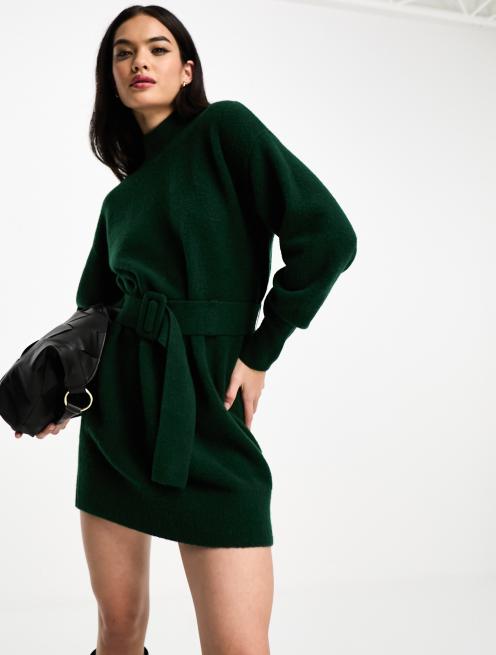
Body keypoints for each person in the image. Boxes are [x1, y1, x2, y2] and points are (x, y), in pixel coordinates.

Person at [16, 5, 357, 655]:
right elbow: (95, 308)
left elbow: (328, 239)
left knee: (237, 646)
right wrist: (58, 389)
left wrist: (260, 351)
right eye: (122, 53)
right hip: (117, 424)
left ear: (187, 69)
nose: (139, 61)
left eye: (157, 48)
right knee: (118, 627)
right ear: (111, 78)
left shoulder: (226, 130)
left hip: (205, 408)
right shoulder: (119, 200)